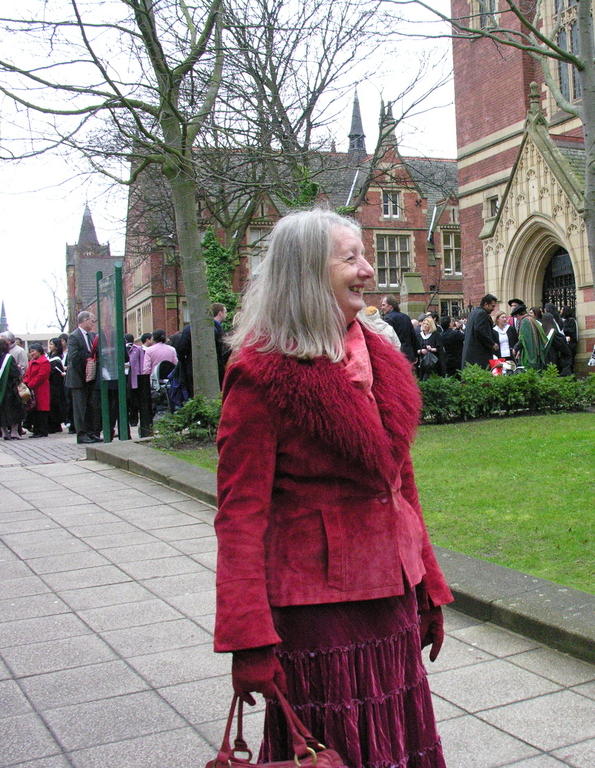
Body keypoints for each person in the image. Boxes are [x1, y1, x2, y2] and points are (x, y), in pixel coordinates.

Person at [214, 208, 452, 768]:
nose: (368, 270)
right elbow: (240, 515)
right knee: (333, 748)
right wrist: (248, 637)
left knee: (396, 740)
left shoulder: (380, 358)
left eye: (366, 255)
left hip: (393, 595)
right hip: (319, 613)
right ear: (305, 274)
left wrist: (428, 587)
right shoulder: (261, 373)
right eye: (351, 258)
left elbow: (400, 485)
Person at [66, 310, 101, 444]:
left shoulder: (92, 336)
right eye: (92, 320)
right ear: (85, 320)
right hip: (78, 378)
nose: (93, 323)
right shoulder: (74, 336)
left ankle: (91, 432)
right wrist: (87, 359)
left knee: (91, 407)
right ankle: (81, 434)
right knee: (80, 408)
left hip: (90, 377)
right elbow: (74, 357)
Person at [0, 339, 26, 440]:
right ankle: (14, 432)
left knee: (1, 411)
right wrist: (18, 370)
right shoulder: (8, 358)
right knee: (14, 410)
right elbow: (14, 374)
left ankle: (4, 432)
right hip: (9, 389)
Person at [461, 294, 499, 370]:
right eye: (492, 306)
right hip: (479, 354)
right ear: (486, 304)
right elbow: (479, 330)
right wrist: (492, 343)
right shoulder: (482, 313)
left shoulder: (473, 313)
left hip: (470, 353)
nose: (493, 309)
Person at [380, 295, 420, 363]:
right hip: (408, 354)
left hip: (397, 354)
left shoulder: (389, 319)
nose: (382, 307)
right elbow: (413, 337)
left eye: (384, 305)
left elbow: (388, 338)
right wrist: (415, 354)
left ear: (391, 305)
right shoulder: (406, 317)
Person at [23, 343, 51, 438]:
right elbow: (27, 374)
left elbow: (41, 376)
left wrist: (30, 385)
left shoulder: (44, 362)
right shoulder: (31, 361)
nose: (31, 353)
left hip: (41, 389)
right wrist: (26, 383)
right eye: (30, 352)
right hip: (33, 389)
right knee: (35, 410)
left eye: (33, 351)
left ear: (39, 351)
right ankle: (37, 430)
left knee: (41, 411)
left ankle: (42, 431)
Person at [512, 304, 547, 371]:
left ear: (518, 315)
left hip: (530, 353)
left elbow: (523, 338)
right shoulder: (532, 319)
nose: (517, 319)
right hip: (536, 351)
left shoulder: (525, 321)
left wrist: (515, 348)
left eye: (516, 317)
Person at [47, 338, 68, 433]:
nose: (50, 346)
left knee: (55, 404)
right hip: (49, 385)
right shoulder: (48, 356)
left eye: (52, 344)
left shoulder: (57, 359)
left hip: (56, 385)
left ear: (56, 346)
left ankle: (55, 425)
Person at [415, 315, 442, 379]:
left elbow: (439, 349)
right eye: (424, 324)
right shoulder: (418, 336)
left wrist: (431, 349)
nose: (425, 325)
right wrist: (421, 351)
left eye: (427, 324)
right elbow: (415, 349)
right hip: (421, 362)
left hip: (432, 362)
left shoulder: (436, 335)